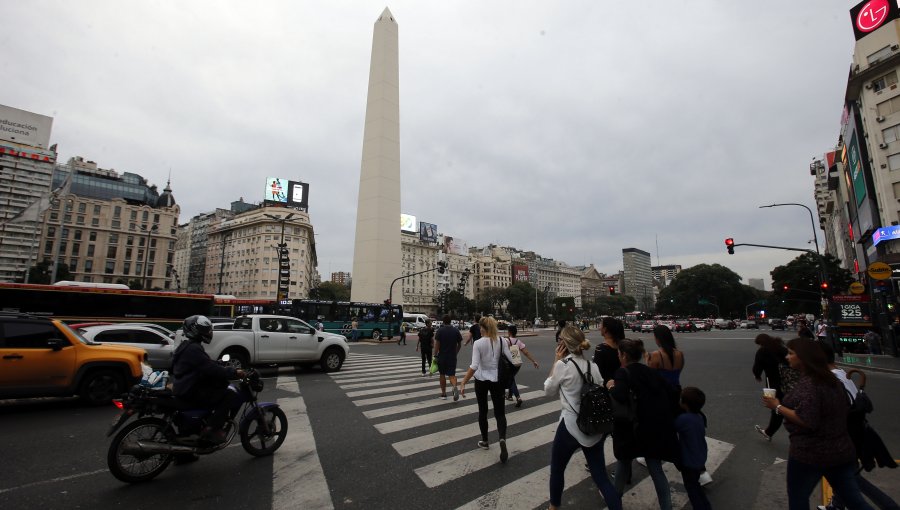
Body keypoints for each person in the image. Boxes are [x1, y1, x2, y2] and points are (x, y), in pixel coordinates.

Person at [762, 337, 874, 510]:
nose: (787, 357)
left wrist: (777, 406)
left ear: (804, 358)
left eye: (791, 354)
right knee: (854, 501)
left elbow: (807, 420)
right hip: (840, 450)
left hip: (810, 453)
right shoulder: (832, 379)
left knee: (798, 499)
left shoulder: (811, 384)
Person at [544, 325, 622, 510]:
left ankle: (554, 506)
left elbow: (548, 390)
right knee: (600, 476)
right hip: (593, 426)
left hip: (570, 425)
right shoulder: (592, 366)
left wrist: (556, 360)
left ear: (564, 344)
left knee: (557, 469)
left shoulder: (563, 366)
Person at [819, 342, 898, 510]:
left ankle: (890, 506)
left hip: (845, 439)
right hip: (854, 435)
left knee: (850, 479)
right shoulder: (841, 375)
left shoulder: (831, 380)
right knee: (846, 476)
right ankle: (837, 504)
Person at [608, 338, 679, 510]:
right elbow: (671, 392)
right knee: (656, 470)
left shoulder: (622, 373)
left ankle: (614, 502)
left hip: (631, 429)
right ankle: (666, 506)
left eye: (619, 354)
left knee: (623, 464)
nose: (618, 356)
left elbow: (620, 396)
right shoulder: (651, 372)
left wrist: (610, 386)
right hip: (653, 428)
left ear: (624, 355)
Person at [172, 315, 244, 444]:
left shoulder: (187, 346)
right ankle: (212, 429)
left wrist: (216, 363)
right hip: (190, 389)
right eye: (205, 330)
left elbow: (204, 363)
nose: (209, 333)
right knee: (229, 394)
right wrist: (234, 372)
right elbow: (209, 368)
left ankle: (184, 453)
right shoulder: (194, 348)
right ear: (195, 331)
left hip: (184, 386)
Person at [458, 316, 512, 463]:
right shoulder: (502, 341)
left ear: (483, 328)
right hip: (497, 380)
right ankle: (502, 438)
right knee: (500, 412)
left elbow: (474, 365)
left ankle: (485, 440)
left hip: (481, 380)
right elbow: (512, 360)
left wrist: (463, 382)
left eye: (480, 328)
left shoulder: (478, 343)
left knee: (483, 410)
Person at [675, 387, 712, 510]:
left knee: (692, 489)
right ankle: (706, 506)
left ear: (684, 404)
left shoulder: (683, 419)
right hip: (699, 457)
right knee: (695, 485)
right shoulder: (699, 417)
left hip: (689, 461)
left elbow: (672, 428)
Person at [752, 333, 789, 441]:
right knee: (786, 403)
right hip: (788, 380)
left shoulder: (762, 351)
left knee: (774, 407)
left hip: (771, 382)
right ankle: (769, 431)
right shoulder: (781, 347)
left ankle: (769, 432)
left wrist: (757, 376)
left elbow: (757, 367)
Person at [503, 324, 539, 407]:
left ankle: (518, 397)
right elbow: (526, 352)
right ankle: (509, 396)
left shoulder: (505, 340)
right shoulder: (518, 342)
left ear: (509, 332)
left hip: (508, 364)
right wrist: (534, 361)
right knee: (511, 378)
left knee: (511, 379)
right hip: (517, 363)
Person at [646, 325, 684, 391]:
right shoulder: (680, 354)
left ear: (658, 338)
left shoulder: (657, 354)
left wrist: (647, 360)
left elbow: (651, 376)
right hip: (676, 390)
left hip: (662, 391)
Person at [434, 315, 463, 401]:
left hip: (442, 356)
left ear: (443, 321)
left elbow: (437, 345)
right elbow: (459, 344)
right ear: (450, 321)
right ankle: (454, 386)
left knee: (442, 374)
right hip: (452, 356)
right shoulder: (456, 330)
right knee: (452, 375)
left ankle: (443, 393)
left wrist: (435, 355)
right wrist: (456, 352)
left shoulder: (440, 331)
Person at [593, 317, 625, 384]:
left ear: (605, 329)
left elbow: (597, 373)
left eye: (600, 324)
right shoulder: (622, 345)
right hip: (622, 383)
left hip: (607, 385)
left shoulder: (600, 349)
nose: (599, 327)